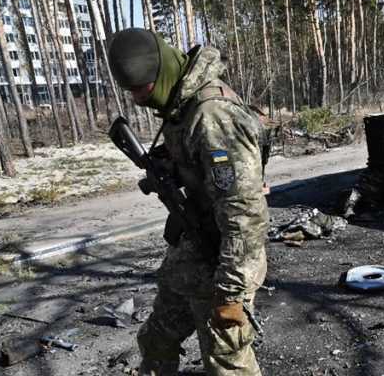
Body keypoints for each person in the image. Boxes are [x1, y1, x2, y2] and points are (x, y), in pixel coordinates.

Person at [106, 28, 268, 376]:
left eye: (140, 89)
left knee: (227, 363)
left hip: (225, 261)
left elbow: (245, 213)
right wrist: (168, 169)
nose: (136, 100)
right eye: (130, 91)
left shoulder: (213, 115)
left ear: (161, 70)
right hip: (191, 256)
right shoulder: (183, 105)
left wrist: (230, 293)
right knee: (156, 340)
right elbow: (198, 164)